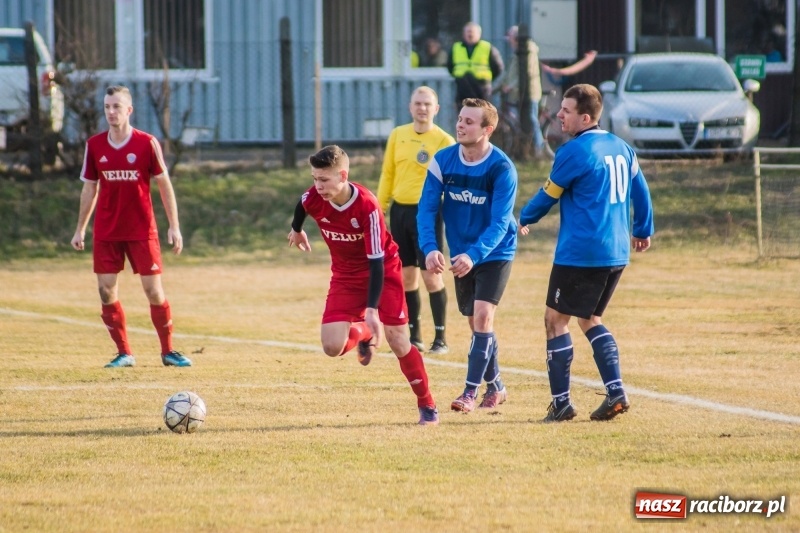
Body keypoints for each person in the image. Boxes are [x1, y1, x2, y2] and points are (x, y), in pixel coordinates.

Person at [518, 84, 654, 422]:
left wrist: (522, 218)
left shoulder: (575, 152)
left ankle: (561, 403)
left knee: (554, 320)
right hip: (617, 250)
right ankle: (616, 392)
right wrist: (643, 229)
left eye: (566, 111)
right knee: (590, 319)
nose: (559, 115)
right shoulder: (621, 147)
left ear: (585, 117)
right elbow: (641, 189)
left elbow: (548, 194)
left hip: (581, 252)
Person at [288, 145, 440, 426]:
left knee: (398, 341)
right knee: (332, 347)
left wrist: (372, 309)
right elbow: (302, 204)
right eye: (314, 179)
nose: (318, 186)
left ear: (343, 175)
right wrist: (297, 229)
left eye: (324, 180)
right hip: (345, 276)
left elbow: (375, 262)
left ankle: (427, 403)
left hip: (383, 270)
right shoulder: (314, 197)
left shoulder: (367, 206)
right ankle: (364, 332)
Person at [70, 85, 191, 368]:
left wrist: (174, 226)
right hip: (107, 231)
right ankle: (124, 353)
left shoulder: (146, 143)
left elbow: (164, 184)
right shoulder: (95, 145)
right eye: (107, 107)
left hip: (141, 230)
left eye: (116, 107)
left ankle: (168, 351)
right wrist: (80, 229)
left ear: (129, 110)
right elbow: (90, 188)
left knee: (153, 291)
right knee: (106, 291)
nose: (111, 112)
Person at [417, 98, 519, 412]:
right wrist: (430, 248)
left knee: (484, 316)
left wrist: (474, 255)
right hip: (462, 254)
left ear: (488, 129)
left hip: (495, 250)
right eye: (460, 119)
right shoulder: (443, 160)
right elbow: (426, 209)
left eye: (469, 122)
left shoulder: (501, 167)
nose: (460, 125)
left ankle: (469, 393)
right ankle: (497, 385)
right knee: (476, 324)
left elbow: (501, 222)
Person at [377, 87, 455, 356]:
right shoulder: (398, 135)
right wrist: (380, 207)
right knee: (406, 275)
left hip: (429, 214)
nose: (422, 108)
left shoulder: (444, 140)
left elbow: (451, 180)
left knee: (431, 275)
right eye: (418, 103)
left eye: (427, 104)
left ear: (436, 109)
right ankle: (415, 336)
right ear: (410, 107)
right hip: (400, 212)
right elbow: (388, 172)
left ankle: (441, 337)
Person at [497, 25, 546, 156]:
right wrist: (498, 86)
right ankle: (523, 148)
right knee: (519, 119)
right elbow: (510, 74)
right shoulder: (517, 53)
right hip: (517, 93)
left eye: (511, 39)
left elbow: (526, 73)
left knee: (531, 119)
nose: (510, 42)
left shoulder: (528, 52)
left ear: (516, 39)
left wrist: (510, 85)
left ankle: (538, 146)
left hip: (529, 92)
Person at [447, 22, 504, 112]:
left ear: (479, 34)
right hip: (462, 86)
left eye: (472, 32)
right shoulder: (456, 47)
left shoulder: (487, 47)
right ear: (463, 33)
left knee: (482, 113)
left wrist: (487, 78)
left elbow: (498, 67)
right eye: (468, 32)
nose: (470, 34)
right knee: (463, 112)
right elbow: (450, 66)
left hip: (481, 87)